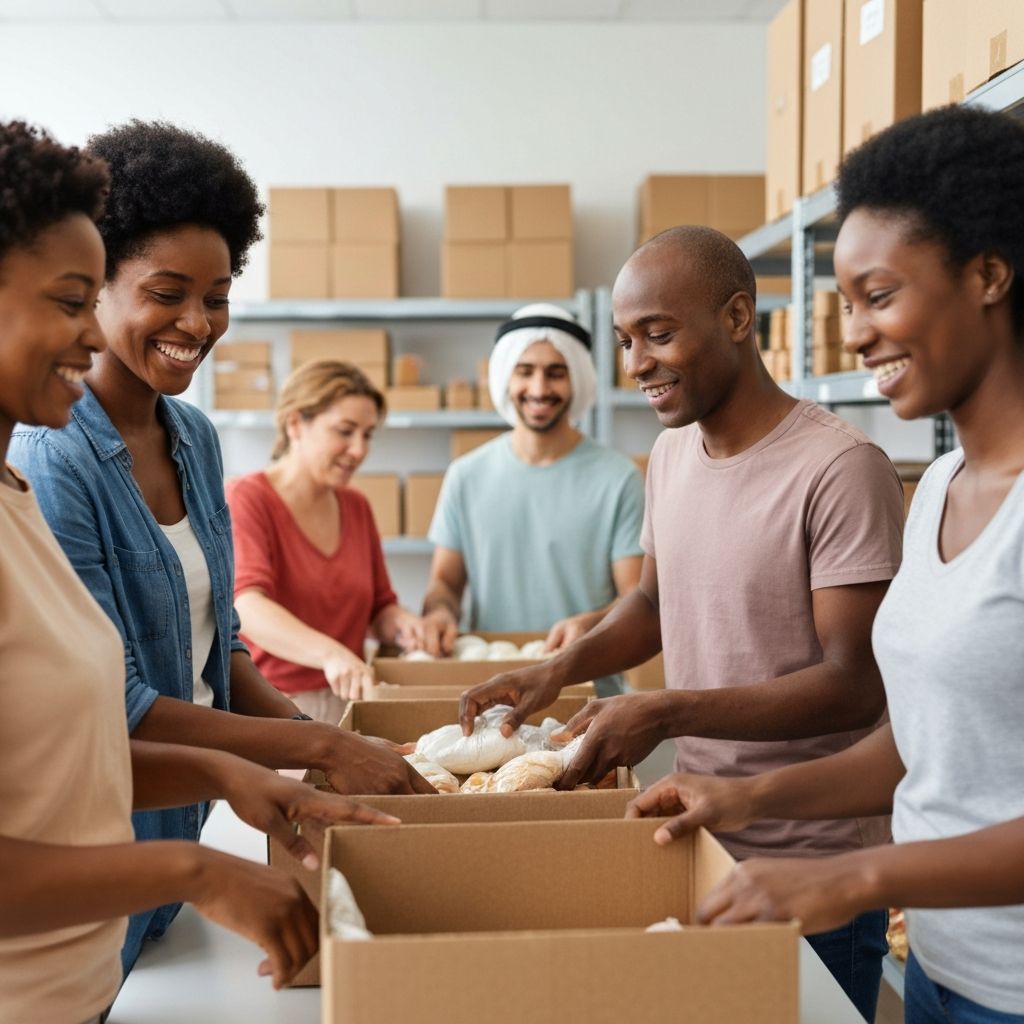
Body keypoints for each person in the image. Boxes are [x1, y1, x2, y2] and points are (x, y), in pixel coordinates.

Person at [8, 119, 434, 975]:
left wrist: (323, 753)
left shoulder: (192, 439)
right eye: (166, 292)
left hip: (161, 853)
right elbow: (113, 712)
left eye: (218, 295)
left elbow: (215, 649)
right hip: (89, 872)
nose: (198, 323)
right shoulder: (51, 458)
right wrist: (311, 749)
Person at [629, 105, 1024, 1024]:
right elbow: (918, 748)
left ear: (989, 275)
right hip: (939, 968)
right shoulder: (938, 488)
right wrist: (738, 800)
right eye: (845, 304)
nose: (853, 336)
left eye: (879, 297)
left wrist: (853, 875)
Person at [460, 229, 905, 1018]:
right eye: (628, 341)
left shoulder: (839, 469)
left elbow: (854, 687)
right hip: (700, 834)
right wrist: (556, 668)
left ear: (738, 317)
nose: (636, 366)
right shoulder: (671, 455)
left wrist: (666, 708)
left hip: (812, 856)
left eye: (659, 334)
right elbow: (654, 605)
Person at [422, 303, 645, 695]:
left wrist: (591, 623)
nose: (539, 389)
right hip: (490, 692)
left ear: (576, 380)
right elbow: (445, 581)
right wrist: (439, 612)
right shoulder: (466, 476)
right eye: (525, 372)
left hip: (587, 690)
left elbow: (637, 595)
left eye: (555, 374)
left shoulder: (618, 478)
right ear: (506, 379)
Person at [227, 360, 428, 722]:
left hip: (349, 700)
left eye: (367, 434)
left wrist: (403, 624)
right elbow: (247, 606)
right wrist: (330, 654)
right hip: (274, 708)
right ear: (294, 424)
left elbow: (380, 608)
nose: (359, 450)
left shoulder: (356, 506)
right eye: (345, 431)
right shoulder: (247, 498)